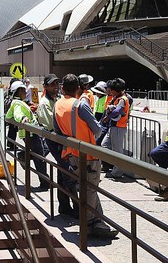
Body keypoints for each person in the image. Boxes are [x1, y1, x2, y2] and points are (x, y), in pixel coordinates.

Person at [53, 74, 117, 238]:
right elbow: (97, 130)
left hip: (71, 152)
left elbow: (57, 130)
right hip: (88, 153)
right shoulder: (79, 105)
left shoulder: (58, 105)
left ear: (62, 88)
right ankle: (90, 224)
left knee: (87, 187)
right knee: (90, 188)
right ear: (78, 88)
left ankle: (99, 223)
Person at [36, 74, 78, 216]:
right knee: (68, 172)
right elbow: (50, 124)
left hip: (63, 139)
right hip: (55, 140)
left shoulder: (59, 100)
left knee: (62, 171)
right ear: (45, 86)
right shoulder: (44, 103)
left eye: (57, 83)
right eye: (52, 84)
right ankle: (77, 208)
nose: (55, 86)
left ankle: (64, 206)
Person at [7, 81, 49, 190]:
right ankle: (45, 183)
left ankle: (24, 155)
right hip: (31, 134)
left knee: (43, 151)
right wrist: (22, 118)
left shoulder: (18, 102)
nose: (26, 92)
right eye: (24, 90)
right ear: (19, 91)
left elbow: (8, 115)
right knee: (39, 157)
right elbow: (17, 114)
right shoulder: (17, 103)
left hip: (30, 134)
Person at [101, 78, 131, 178]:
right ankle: (114, 167)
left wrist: (107, 117)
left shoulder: (122, 99)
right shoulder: (117, 97)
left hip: (119, 127)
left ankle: (117, 172)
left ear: (115, 90)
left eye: (111, 89)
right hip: (113, 126)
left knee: (117, 150)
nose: (110, 91)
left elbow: (118, 110)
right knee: (104, 145)